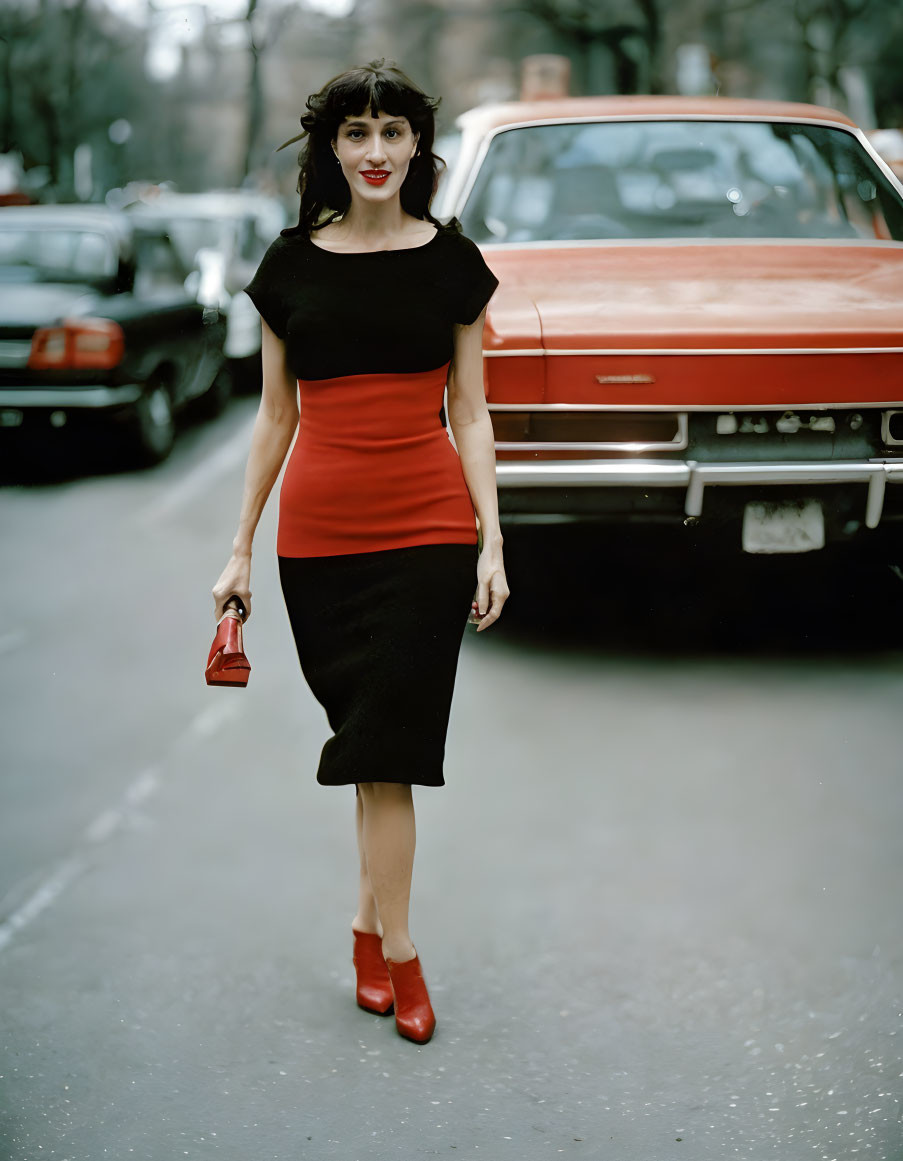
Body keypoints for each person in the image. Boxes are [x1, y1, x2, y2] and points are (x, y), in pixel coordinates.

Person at [211, 60, 509, 1044]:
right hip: (322, 543)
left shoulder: (452, 263)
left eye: (392, 132)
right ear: (331, 148)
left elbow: (470, 413)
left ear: (420, 146)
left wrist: (490, 543)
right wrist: (242, 549)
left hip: (428, 531)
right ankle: (361, 928)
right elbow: (271, 420)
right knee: (373, 754)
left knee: (392, 751)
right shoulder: (289, 266)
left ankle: (404, 953)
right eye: (356, 134)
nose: (374, 152)